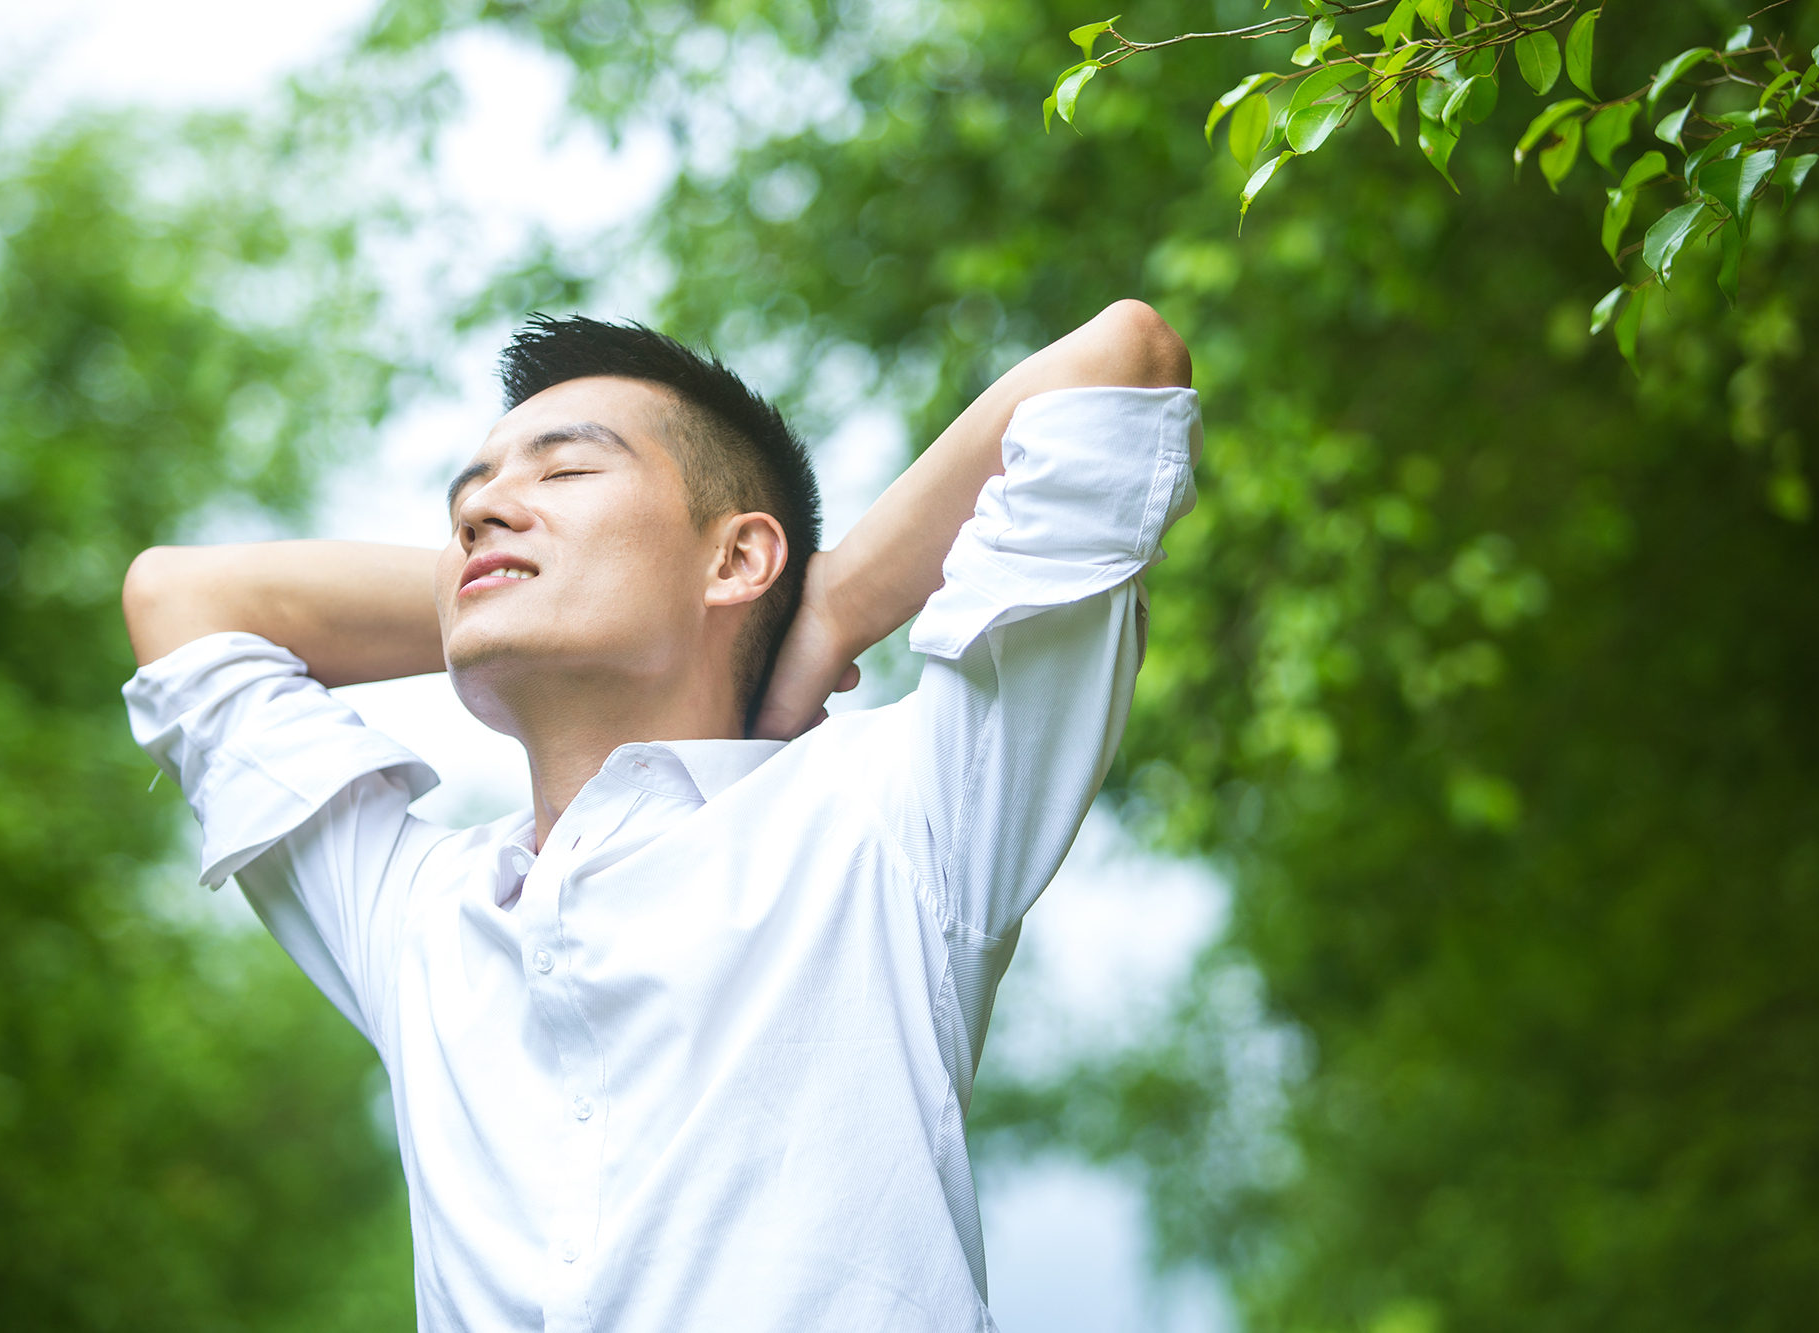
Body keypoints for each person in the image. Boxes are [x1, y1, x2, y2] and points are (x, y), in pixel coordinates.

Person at [121, 298, 1198, 1332]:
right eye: (466, 504)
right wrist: (503, 578)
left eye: (566, 470)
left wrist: (830, 602)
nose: (478, 512)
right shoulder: (420, 918)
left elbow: (1120, 363)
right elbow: (180, 600)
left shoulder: (888, 814)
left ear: (739, 556)